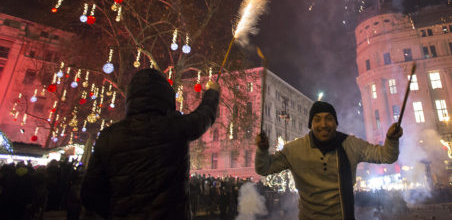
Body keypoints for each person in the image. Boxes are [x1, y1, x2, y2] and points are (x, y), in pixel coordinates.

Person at [80, 68, 220, 219]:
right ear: (166, 96)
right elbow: (204, 116)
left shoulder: (109, 137)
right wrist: (212, 92)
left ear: (131, 98)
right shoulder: (175, 127)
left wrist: (118, 212)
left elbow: (89, 194)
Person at [255, 101, 403, 220]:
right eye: (317, 120)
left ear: (336, 123)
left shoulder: (351, 144)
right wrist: (262, 150)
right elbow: (264, 168)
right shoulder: (294, 149)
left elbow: (386, 156)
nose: (323, 124)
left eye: (329, 119)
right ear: (310, 125)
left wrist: (392, 139)